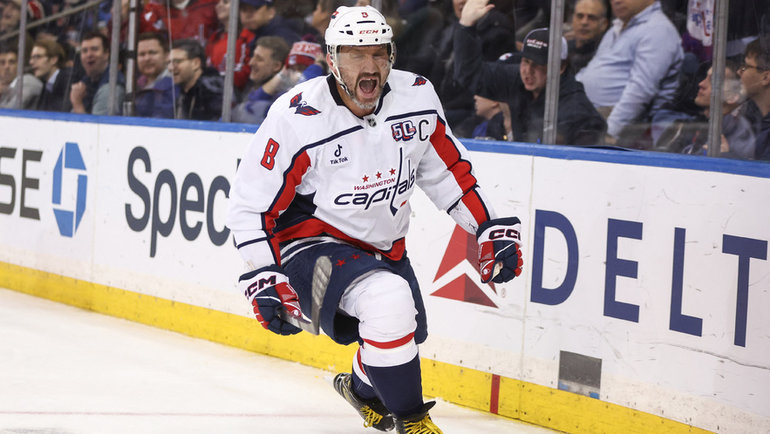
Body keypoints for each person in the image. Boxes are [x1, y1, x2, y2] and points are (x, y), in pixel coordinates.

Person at [225, 6, 523, 434]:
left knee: (398, 334)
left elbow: (448, 173)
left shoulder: (417, 96)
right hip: (309, 243)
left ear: (391, 55)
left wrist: (490, 226)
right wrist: (264, 275)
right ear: (332, 60)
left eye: (379, 53)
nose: (370, 66)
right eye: (355, 54)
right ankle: (413, 422)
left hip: (385, 245)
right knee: (388, 300)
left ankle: (360, 391)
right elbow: (251, 205)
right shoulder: (297, 116)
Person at [454, 1, 606, 146]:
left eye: (538, 64)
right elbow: (470, 75)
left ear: (560, 67)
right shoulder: (517, 78)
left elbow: (586, 157)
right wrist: (466, 26)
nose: (528, 71)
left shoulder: (578, 111)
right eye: (525, 61)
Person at [576, 0, 683, 146]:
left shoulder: (658, 29)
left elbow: (640, 91)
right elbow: (590, 70)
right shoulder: (617, 27)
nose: (616, 1)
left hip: (619, 122)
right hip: (590, 113)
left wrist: (609, 131)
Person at [655, 61, 756, 158]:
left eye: (713, 81)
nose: (701, 84)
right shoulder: (684, 126)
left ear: (732, 96)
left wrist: (725, 157)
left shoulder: (739, 136)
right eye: (705, 77)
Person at [232, 38, 324, 124]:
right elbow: (251, 106)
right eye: (292, 67)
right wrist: (280, 76)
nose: (251, 62)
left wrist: (317, 67)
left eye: (301, 68)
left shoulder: (318, 89)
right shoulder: (278, 90)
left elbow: (299, 100)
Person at [70, 32, 125, 115]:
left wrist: (77, 103)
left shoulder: (111, 87)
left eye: (94, 49)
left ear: (106, 54)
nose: (89, 55)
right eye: (84, 51)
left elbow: (98, 123)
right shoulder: (87, 80)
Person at [169, 38, 223, 120]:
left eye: (177, 61)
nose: (170, 68)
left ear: (196, 63)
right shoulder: (179, 90)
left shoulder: (212, 92)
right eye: (169, 62)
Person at [738, 38, 770, 160]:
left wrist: (726, 157)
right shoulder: (752, 119)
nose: (739, 72)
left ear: (765, 77)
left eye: (746, 67)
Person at [135, 32, 174, 118]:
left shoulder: (173, 86)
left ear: (167, 56)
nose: (147, 58)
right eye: (142, 54)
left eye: (152, 53)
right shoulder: (135, 85)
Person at [140, 0, 219, 43]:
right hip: (171, 64)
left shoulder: (211, 3)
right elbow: (146, 38)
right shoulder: (154, 10)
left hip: (205, 63)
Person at [30, 39, 74, 112]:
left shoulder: (67, 80)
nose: (31, 62)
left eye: (37, 57)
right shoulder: (46, 85)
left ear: (53, 59)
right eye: (31, 58)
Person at [566, 0, 609, 73]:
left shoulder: (606, 57)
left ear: (604, 24)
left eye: (591, 18)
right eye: (580, 16)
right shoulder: (563, 50)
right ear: (572, 19)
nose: (584, 22)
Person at [0, 43, 42, 109]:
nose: (6, 67)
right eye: (2, 63)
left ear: (20, 65)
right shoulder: (5, 86)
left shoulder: (28, 81)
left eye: (12, 62)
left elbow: (12, 110)